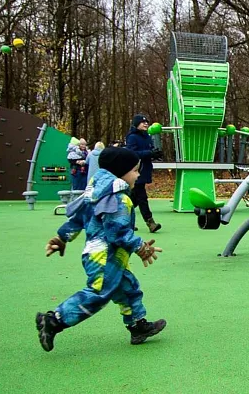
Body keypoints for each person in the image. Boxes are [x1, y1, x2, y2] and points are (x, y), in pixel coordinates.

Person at [35, 147, 166, 352]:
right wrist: (140, 247)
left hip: (104, 256)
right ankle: (54, 320)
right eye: (134, 170)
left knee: (128, 287)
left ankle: (138, 325)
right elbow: (118, 232)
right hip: (106, 257)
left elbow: (78, 218)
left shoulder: (95, 194)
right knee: (99, 293)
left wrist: (62, 238)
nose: (138, 175)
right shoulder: (117, 198)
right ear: (120, 172)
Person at [125, 114, 163, 233]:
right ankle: (150, 222)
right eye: (143, 122)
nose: (146, 124)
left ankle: (125, 221)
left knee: (134, 200)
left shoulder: (147, 136)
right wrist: (149, 153)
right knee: (142, 198)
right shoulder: (132, 137)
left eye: (147, 122)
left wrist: (155, 154)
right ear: (137, 124)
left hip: (144, 169)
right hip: (135, 171)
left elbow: (148, 151)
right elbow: (132, 153)